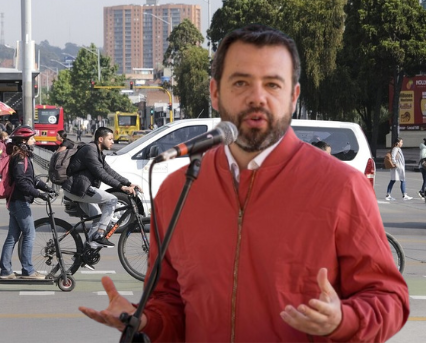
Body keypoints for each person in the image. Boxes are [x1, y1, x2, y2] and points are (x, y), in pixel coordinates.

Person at [79, 24, 409, 342]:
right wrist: (145, 320)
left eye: (273, 84)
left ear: (294, 96)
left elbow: (389, 298)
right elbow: (169, 302)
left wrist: (344, 319)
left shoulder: (341, 187)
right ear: (215, 92)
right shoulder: (177, 191)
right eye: (240, 83)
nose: (257, 98)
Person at [63, 127, 139, 248]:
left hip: (81, 189)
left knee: (98, 217)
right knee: (112, 200)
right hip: (77, 189)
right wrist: (121, 188)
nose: (112, 142)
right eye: (110, 139)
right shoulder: (90, 151)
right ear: (100, 139)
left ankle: (84, 253)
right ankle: (99, 235)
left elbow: (109, 171)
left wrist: (128, 183)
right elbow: (101, 174)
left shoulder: (97, 152)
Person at [0, 125, 54, 280]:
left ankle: (5, 271)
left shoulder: (24, 156)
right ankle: (28, 270)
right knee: (30, 234)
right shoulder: (20, 158)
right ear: (24, 140)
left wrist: (46, 188)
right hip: (20, 201)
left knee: (12, 237)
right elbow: (22, 182)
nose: (35, 141)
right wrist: (38, 194)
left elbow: (32, 179)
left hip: (17, 201)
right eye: (32, 138)